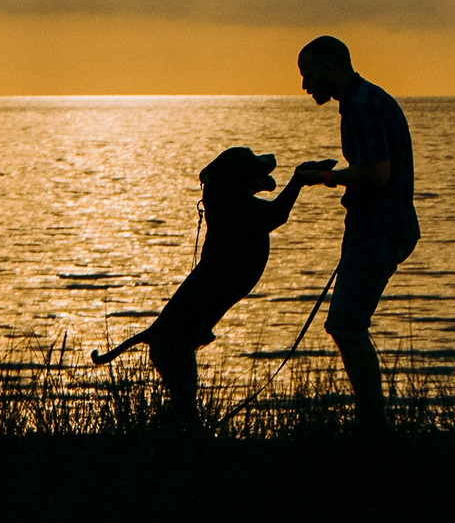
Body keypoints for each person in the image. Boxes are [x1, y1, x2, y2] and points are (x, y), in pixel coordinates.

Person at [137, 145, 330, 423]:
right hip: (170, 339)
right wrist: (298, 180)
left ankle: (169, 441)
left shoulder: (230, 207)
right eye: (252, 161)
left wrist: (300, 177)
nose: (264, 163)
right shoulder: (236, 212)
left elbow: (272, 213)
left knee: (183, 409)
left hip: (168, 337)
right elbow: (277, 215)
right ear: (236, 177)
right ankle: (170, 446)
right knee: (184, 412)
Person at [297, 33, 418, 430]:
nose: (305, 85)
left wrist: (326, 177)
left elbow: (377, 173)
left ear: (330, 68)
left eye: (309, 74)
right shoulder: (363, 101)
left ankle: (373, 426)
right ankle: (372, 424)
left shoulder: (362, 106)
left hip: (380, 228)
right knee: (347, 324)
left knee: (346, 326)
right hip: (378, 227)